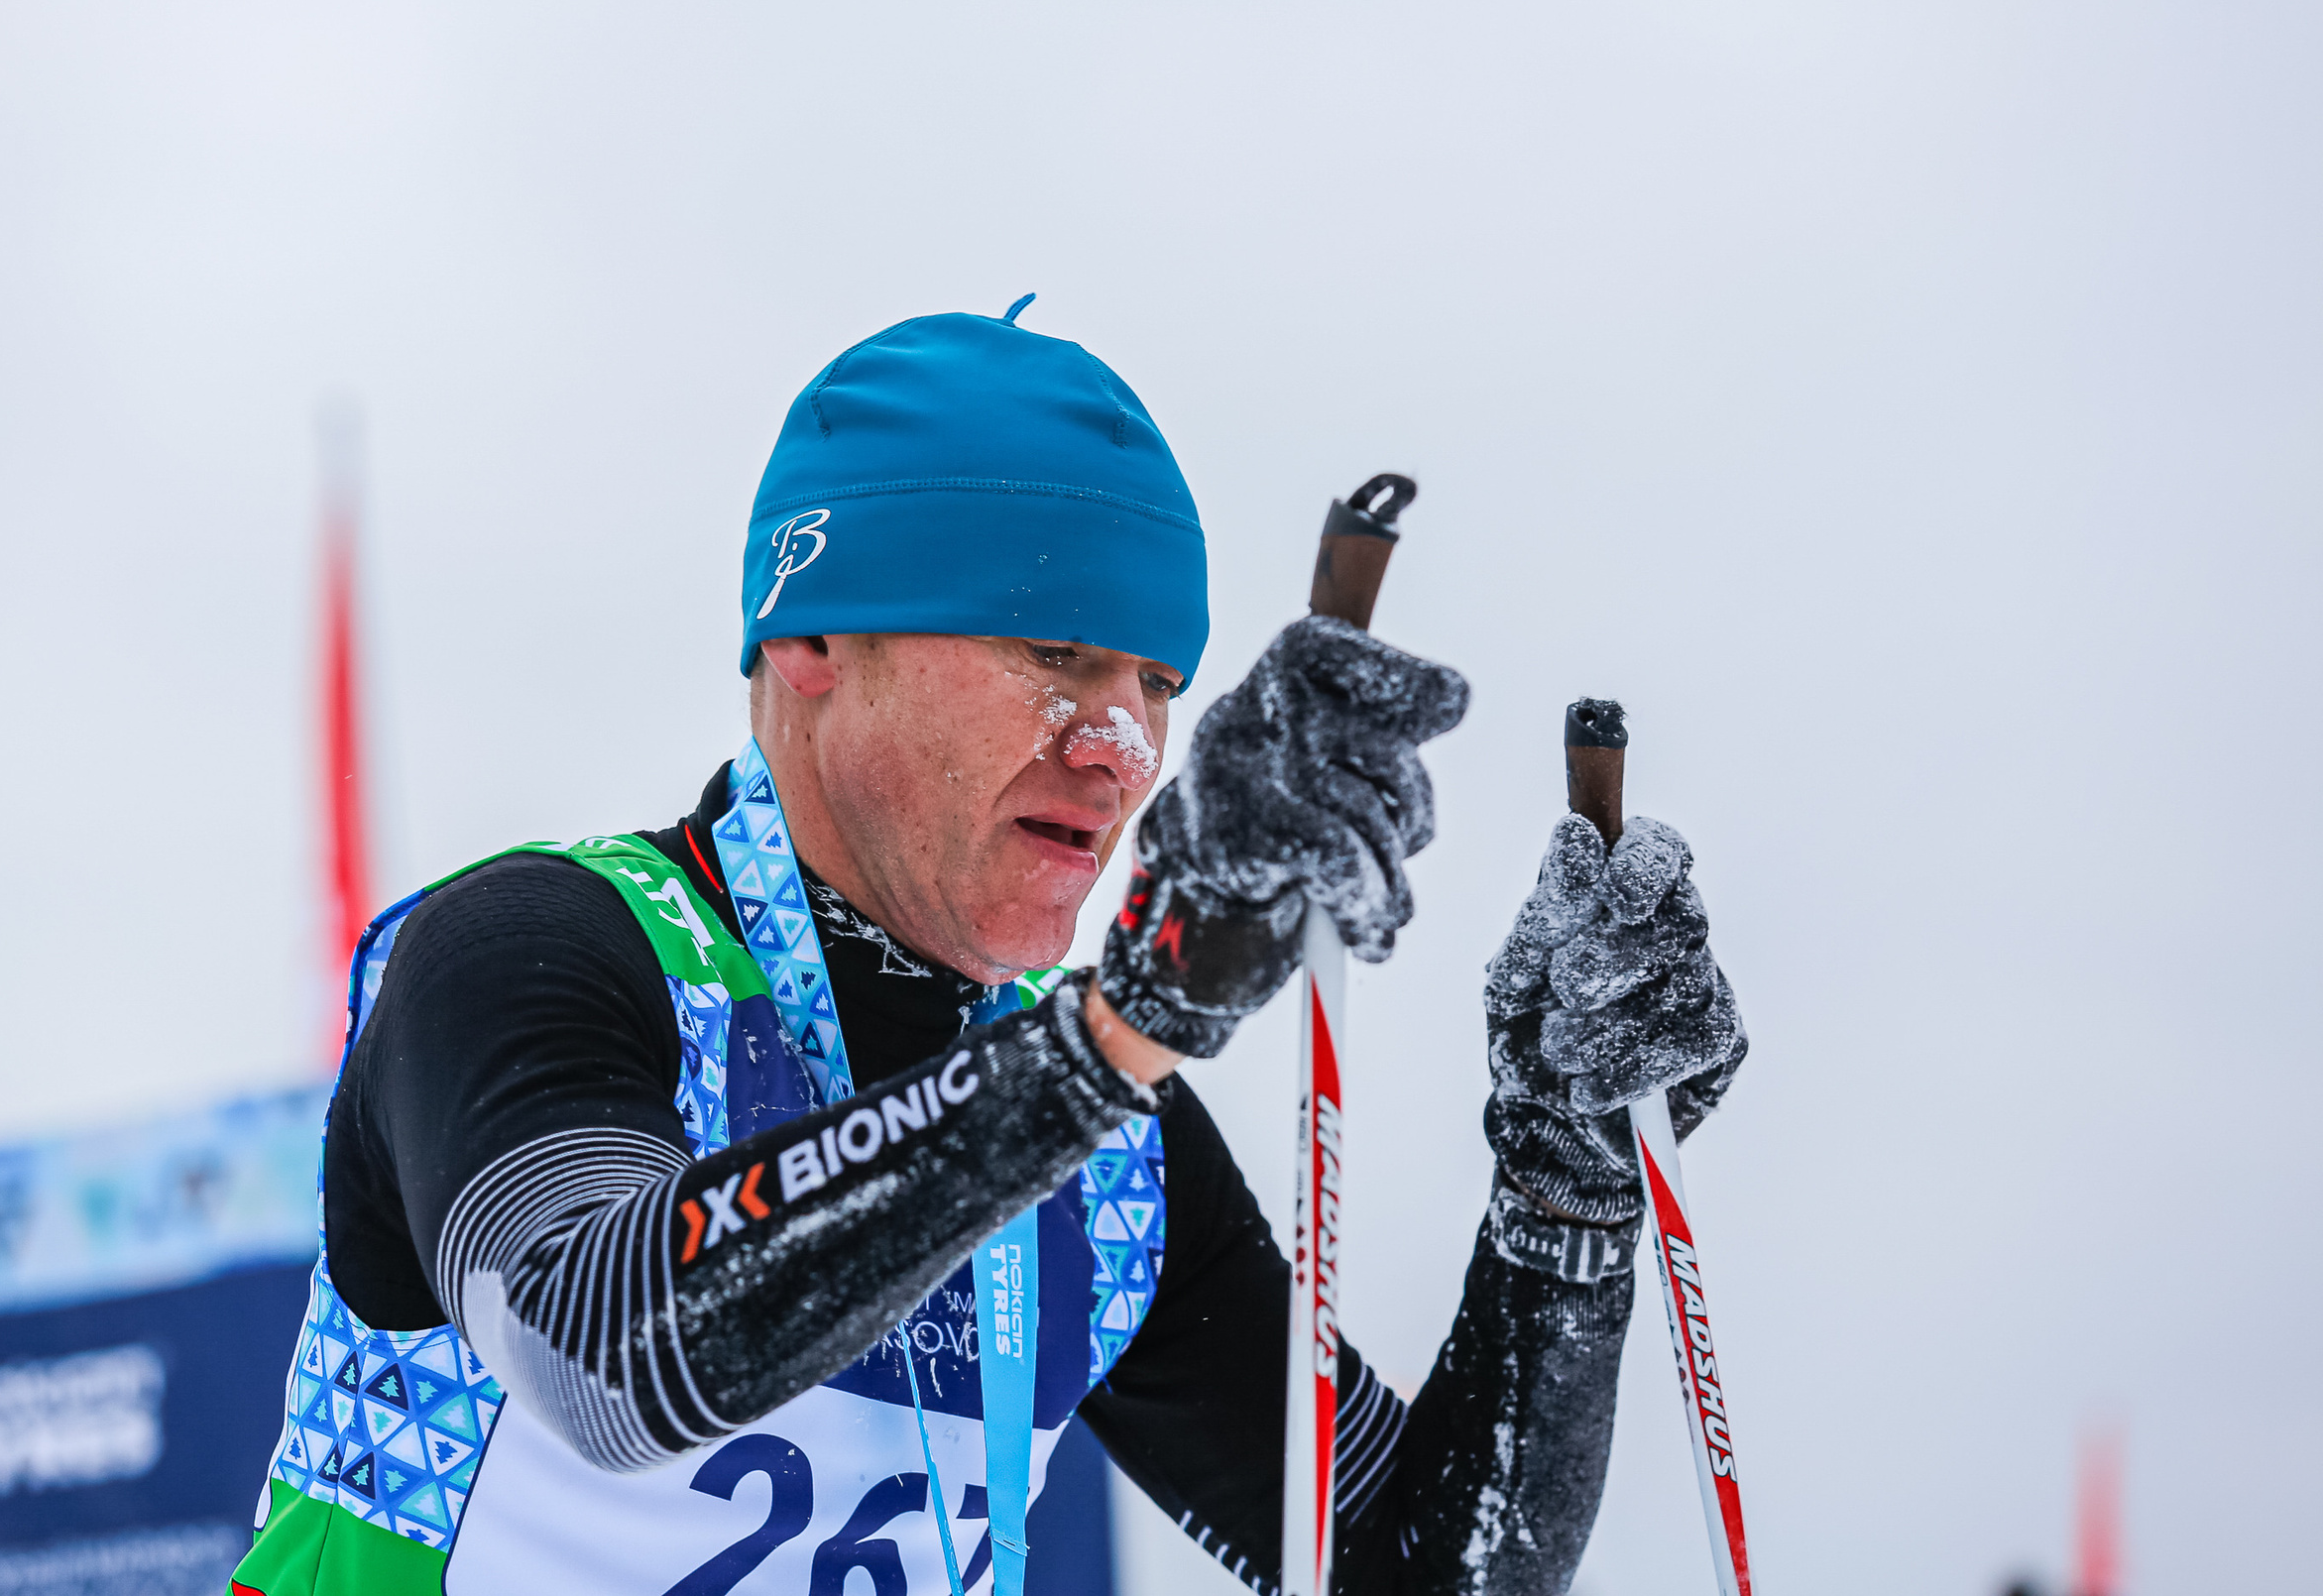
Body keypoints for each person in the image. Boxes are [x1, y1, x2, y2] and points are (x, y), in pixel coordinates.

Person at [230, 299, 1746, 1596]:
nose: (1121, 750)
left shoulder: (1113, 1158)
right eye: (1051, 654)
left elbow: (1420, 1567)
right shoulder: (540, 949)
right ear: (817, 642)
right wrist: (1112, 1035)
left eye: (1157, 682)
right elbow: (604, 1354)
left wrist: (1570, 1183)